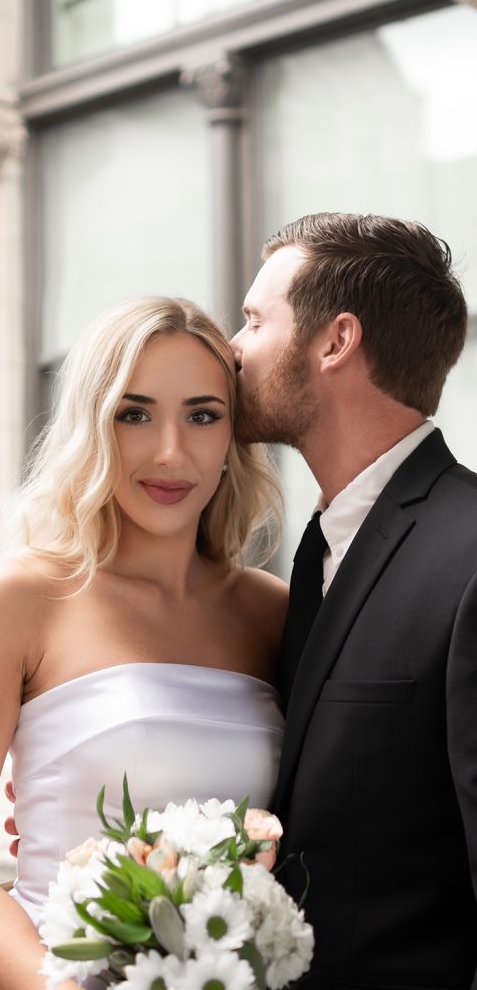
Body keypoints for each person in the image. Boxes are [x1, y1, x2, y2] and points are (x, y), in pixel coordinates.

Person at [0, 296, 287, 990]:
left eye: (202, 416)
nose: (170, 451)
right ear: (92, 425)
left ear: (233, 438)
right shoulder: (17, 598)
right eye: (133, 414)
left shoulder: (270, 612)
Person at [229, 212, 477, 989]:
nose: (232, 348)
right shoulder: (316, 551)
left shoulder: (469, 554)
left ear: (335, 341)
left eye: (254, 321)